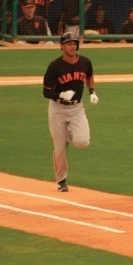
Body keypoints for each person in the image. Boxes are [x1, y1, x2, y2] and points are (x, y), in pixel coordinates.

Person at [42, 32, 99, 192]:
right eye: (69, 44)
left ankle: (67, 134)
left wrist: (92, 92)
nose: (72, 46)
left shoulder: (85, 62)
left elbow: (89, 75)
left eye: (74, 43)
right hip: (57, 109)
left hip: (76, 108)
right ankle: (62, 180)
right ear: (61, 46)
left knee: (83, 142)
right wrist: (60, 94)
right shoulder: (55, 66)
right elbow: (46, 92)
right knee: (59, 149)